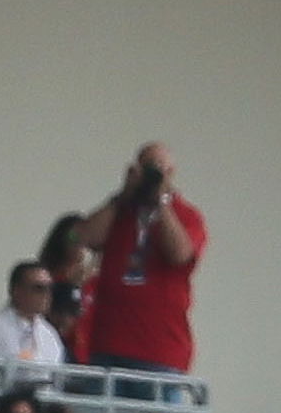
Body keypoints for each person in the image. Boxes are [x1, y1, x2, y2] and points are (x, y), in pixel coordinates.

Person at [74, 142, 204, 382]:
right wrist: (121, 196)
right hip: (108, 346)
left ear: (171, 174)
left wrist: (161, 201)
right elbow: (83, 237)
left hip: (160, 352)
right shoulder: (119, 210)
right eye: (147, 169)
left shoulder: (187, 215)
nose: (151, 177)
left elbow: (179, 254)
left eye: (158, 170)